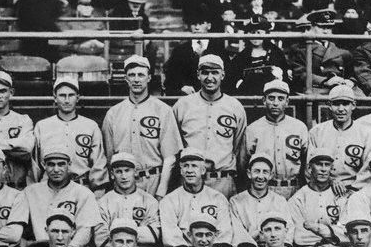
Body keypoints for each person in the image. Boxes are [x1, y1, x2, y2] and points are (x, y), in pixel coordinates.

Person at [102, 55, 182, 198]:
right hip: (123, 183)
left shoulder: (163, 110)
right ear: (126, 78)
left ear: (149, 78)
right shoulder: (113, 113)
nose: (136, 79)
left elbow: (170, 158)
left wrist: (161, 190)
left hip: (152, 179)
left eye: (141, 75)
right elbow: (109, 157)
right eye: (132, 75)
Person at [173, 54, 247, 199]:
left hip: (223, 180)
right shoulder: (183, 105)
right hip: (190, 181)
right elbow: (175, 145)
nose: (210, 77)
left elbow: (238, 148)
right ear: (198, 75)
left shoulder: (234, 107)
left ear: (223, 75)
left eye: (215, 73)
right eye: (205, 72)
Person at [33, 76, 108, 196]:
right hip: (49, 190)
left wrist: (98, 190)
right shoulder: (42, 126)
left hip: (81, 187)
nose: (67, 100)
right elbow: (35, 166)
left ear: (77, 98)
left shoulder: (90, 126)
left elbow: (98, 163)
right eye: (62, 95)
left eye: (71, 95)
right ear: (55, 98)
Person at [23, 146, 101, 247]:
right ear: (44, 165)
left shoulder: (84, 193)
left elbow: (85, 231)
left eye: (61, 164)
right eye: (51, 164)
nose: (56, 169)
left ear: (69, 165)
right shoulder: (30, 192)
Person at [159, 148, 234, 247]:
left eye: (194, 166)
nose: (189, 170)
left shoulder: (218, 198)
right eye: (185, 166)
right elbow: (171, 235)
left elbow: (224, 231)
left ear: (203, 170)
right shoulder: (169, 200)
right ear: (181, 171)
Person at [288, 148, 348, 247]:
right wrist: (331, 234)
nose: (323, 169)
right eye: (319, 164)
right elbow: (299, 236)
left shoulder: (340, 195)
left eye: (327, 165)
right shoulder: (298, 198)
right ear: (310, 168)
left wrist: (319, 230)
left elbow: (346, 230)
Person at [244, 79, 308, 199]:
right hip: (264, 189)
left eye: (280, 98)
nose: (275, 103)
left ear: (287, 101)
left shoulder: (299, 127)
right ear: (264, 100)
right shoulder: (253, 129)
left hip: (293, 188)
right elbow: (245, 162)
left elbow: (306, 161)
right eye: (271, 98)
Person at [308, 85, 371, 195]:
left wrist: (353, 190)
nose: (340, 109)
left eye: (345, 104)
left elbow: (369, 168)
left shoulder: (365, 133)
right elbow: (309, 167)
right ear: (329, 105)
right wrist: (329, 182)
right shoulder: (317, 132)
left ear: (353, 105)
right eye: (336, 104)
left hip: (356, 192)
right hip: (322, 189)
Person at [93, 152, 161, 247]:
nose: (123, 176)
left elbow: (153, 236)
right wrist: (140, 229)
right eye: (119, 172)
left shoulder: (149, 200)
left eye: (127, 171)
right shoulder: (103, 202)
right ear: (112, 174)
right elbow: (101, 240)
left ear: (135, 172)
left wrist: (114, 232)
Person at [230, 153, 293, 247]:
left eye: (265, 172)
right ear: (249, 173)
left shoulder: (280, 201)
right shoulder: (236, 201)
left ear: (271, 175)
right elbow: (238, 232)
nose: (260, 176)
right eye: (256, 171)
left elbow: (289, 229)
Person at [163, 9, 233, 95]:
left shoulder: (218, 49)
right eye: (193, 24)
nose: (197, 28)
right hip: (187, 96)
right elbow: (171, 75)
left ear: (209, 26)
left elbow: (228, 75)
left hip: (213, 96)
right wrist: (182, 86)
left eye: (201, 24)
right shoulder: (180, 50)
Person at [288, 10, 354, 95]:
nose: (326, 31)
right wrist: (325, 81)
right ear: (312, 26)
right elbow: (300, 74)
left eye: (329, 27)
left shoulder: (340, 49)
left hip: (340, 87)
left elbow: (351, 73)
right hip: (316, 87)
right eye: (321, 27)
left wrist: (351, 81)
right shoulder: (302, 49)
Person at [230, 16, 290, 95]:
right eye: (252, 32)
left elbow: (285, 76)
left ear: (266, 33)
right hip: (248, 93)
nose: (255, 36)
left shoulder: (276, 53)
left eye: (259, 32)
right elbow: (234, 77)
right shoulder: (242, 55)